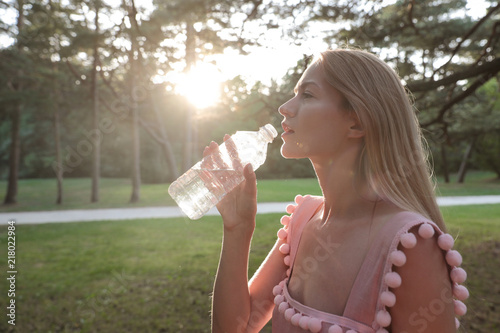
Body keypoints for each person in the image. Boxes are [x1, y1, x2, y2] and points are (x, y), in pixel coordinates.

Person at [209, 49, 468, 333]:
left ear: (356, 121)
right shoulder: (302, 221)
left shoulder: (410, 243)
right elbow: (236, 328)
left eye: (307, 95)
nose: (285, 107)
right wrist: (238, 228)